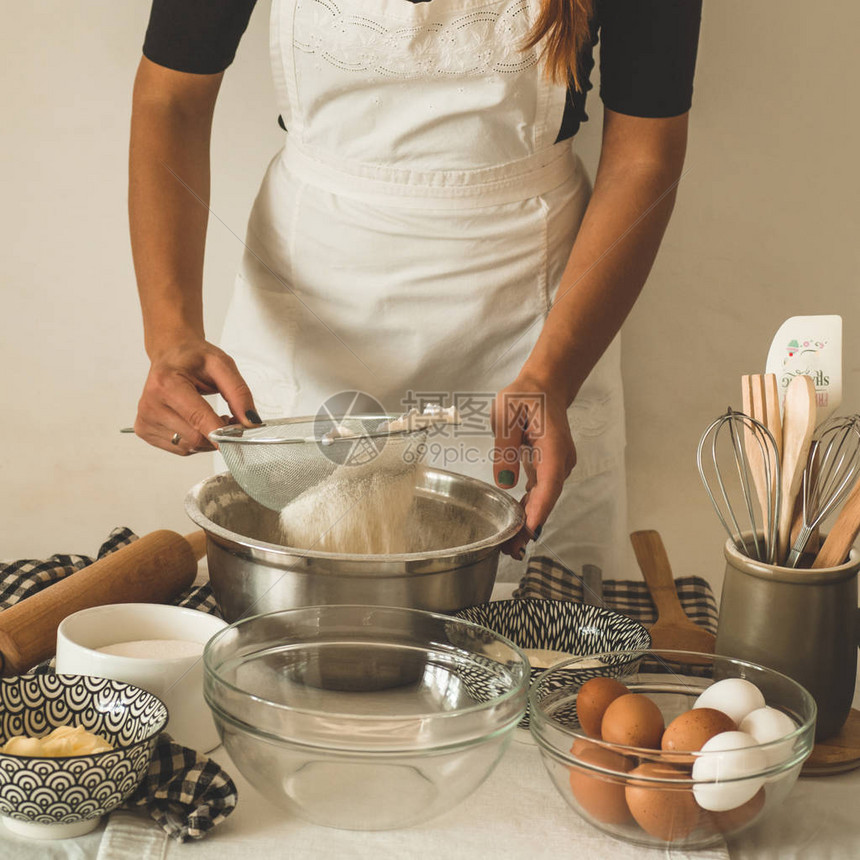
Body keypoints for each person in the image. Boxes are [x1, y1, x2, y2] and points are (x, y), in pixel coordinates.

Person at [130, 0, 702, 579]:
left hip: (535, 337)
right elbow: (170, 98)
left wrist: (552, 375)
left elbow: (643, 156)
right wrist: (170, 334)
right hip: (306, 325)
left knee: (538, 643)